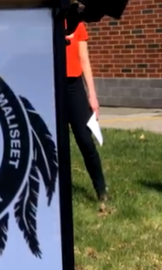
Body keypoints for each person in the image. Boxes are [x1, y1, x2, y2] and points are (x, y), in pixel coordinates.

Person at [66, 21, 108, 202]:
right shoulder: (47, 19)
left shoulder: (77, 24)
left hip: (74, 87)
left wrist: (92, 96)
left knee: (85, 140)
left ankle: (101, 191)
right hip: (50, 84)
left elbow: (84, 60)